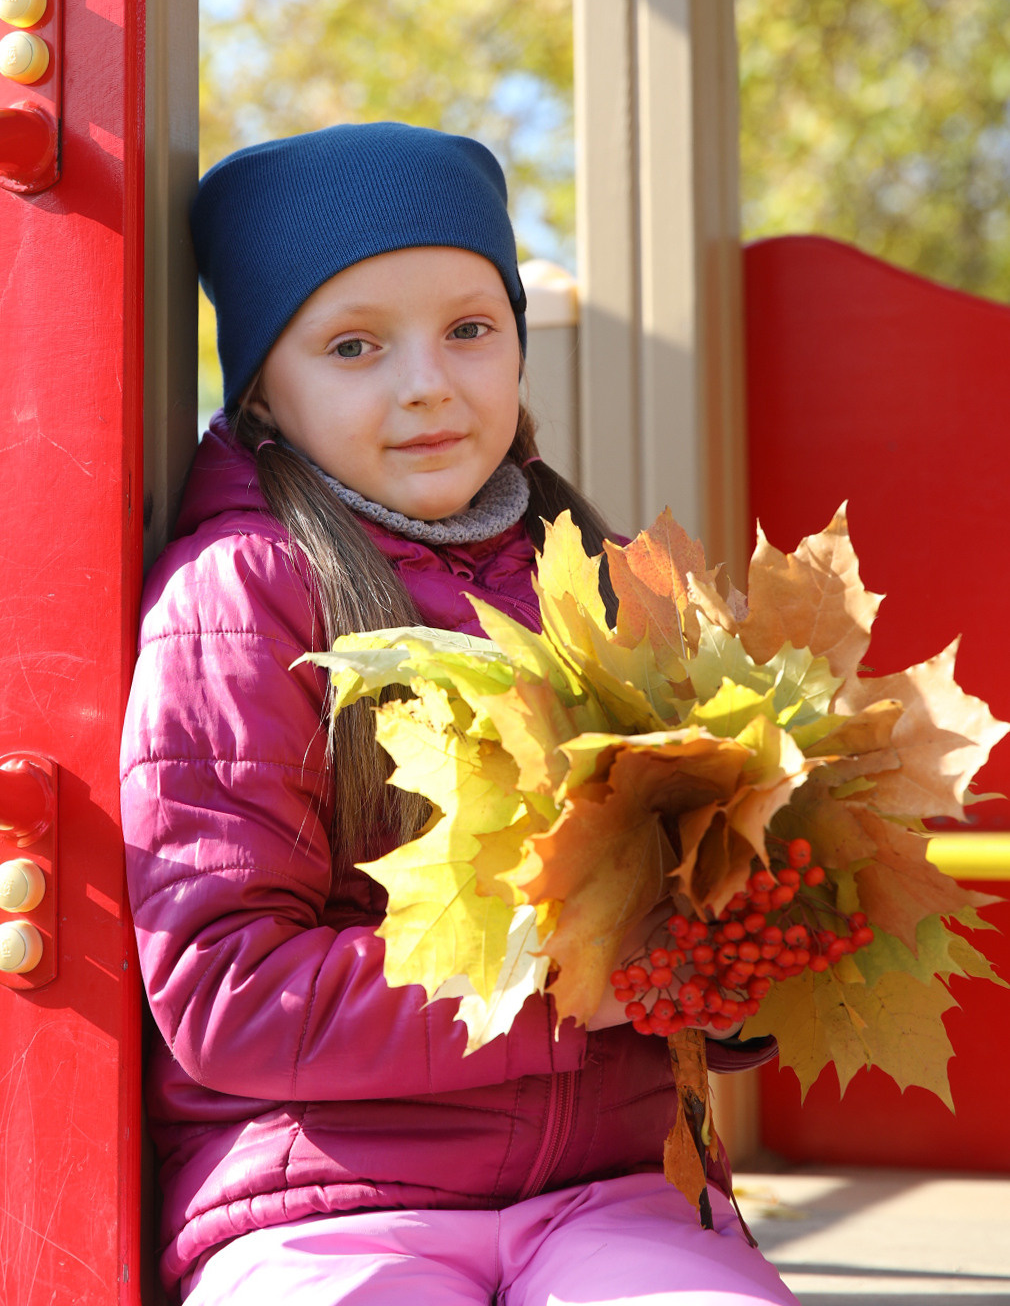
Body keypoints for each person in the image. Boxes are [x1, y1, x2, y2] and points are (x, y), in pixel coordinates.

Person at [120, 122, 799, 1306]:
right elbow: (225, 985)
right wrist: (561, 980)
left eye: (470, 329)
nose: (426, 380)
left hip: (609, 1184)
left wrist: (723, 962)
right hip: (327, 1196)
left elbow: (688, 896)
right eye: (352, 344)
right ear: (263, 391)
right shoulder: (241, 595)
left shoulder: (596, 572)